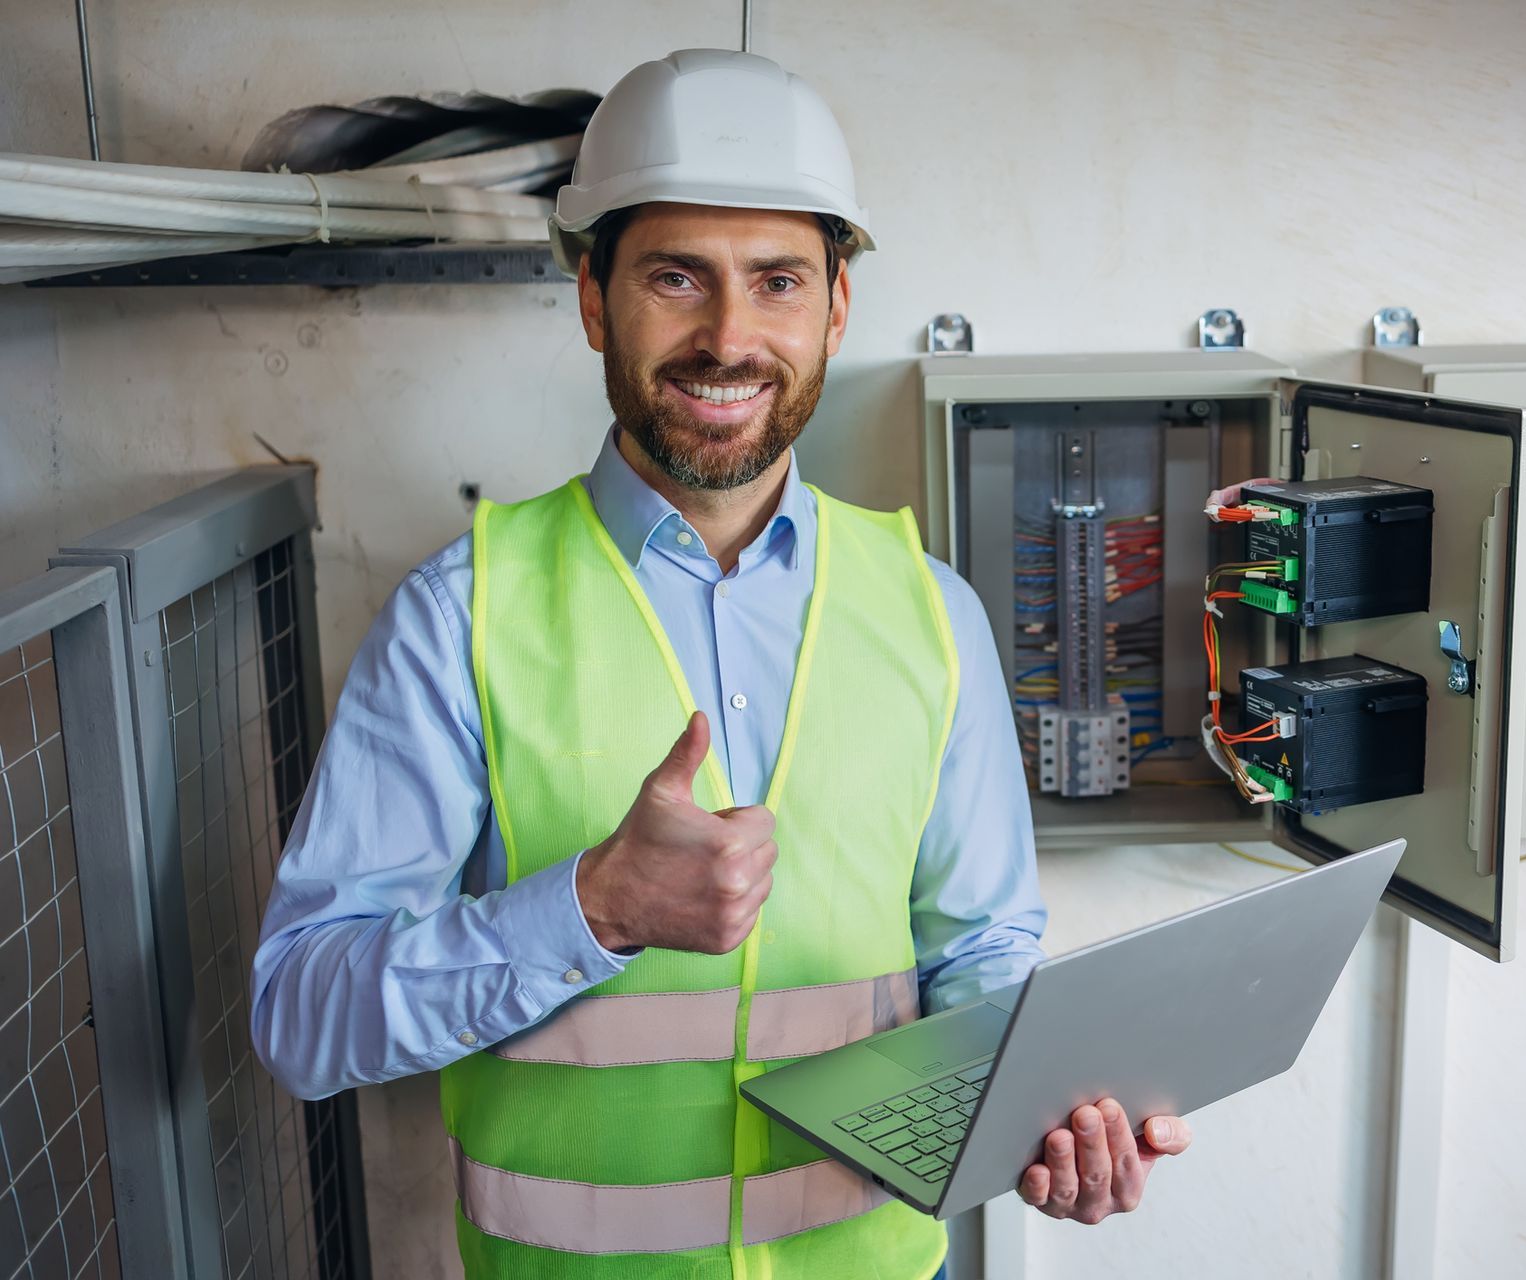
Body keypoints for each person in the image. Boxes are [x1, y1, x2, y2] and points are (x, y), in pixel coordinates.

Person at [251, 49, 1191, 1279]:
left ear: (835, 308)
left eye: (778, 279)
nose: (730, 334)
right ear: (594, 298)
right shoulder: (459, 618)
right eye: (676, 276)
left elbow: (980, 954)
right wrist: (593, 907)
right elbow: (302, 1014)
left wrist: (1053, 1109)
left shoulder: (932, 612)